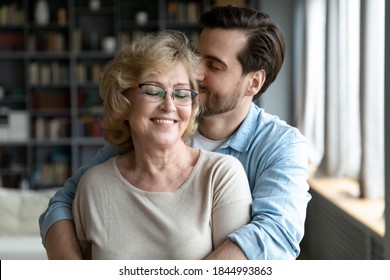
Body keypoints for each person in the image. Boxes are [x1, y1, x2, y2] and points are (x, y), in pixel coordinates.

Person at [39, 5, 311, 260]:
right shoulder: (157, 129)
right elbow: (63, 204)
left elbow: (276, 235)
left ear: (254, 82)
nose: (196, 71)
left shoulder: (280, 145)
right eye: (197, 55)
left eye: (214, 65)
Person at [72, 30, 252, 259]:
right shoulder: (93, 185)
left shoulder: (220, 176)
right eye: (153, 90)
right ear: (124, 100)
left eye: (181, 93)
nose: (169, 105)